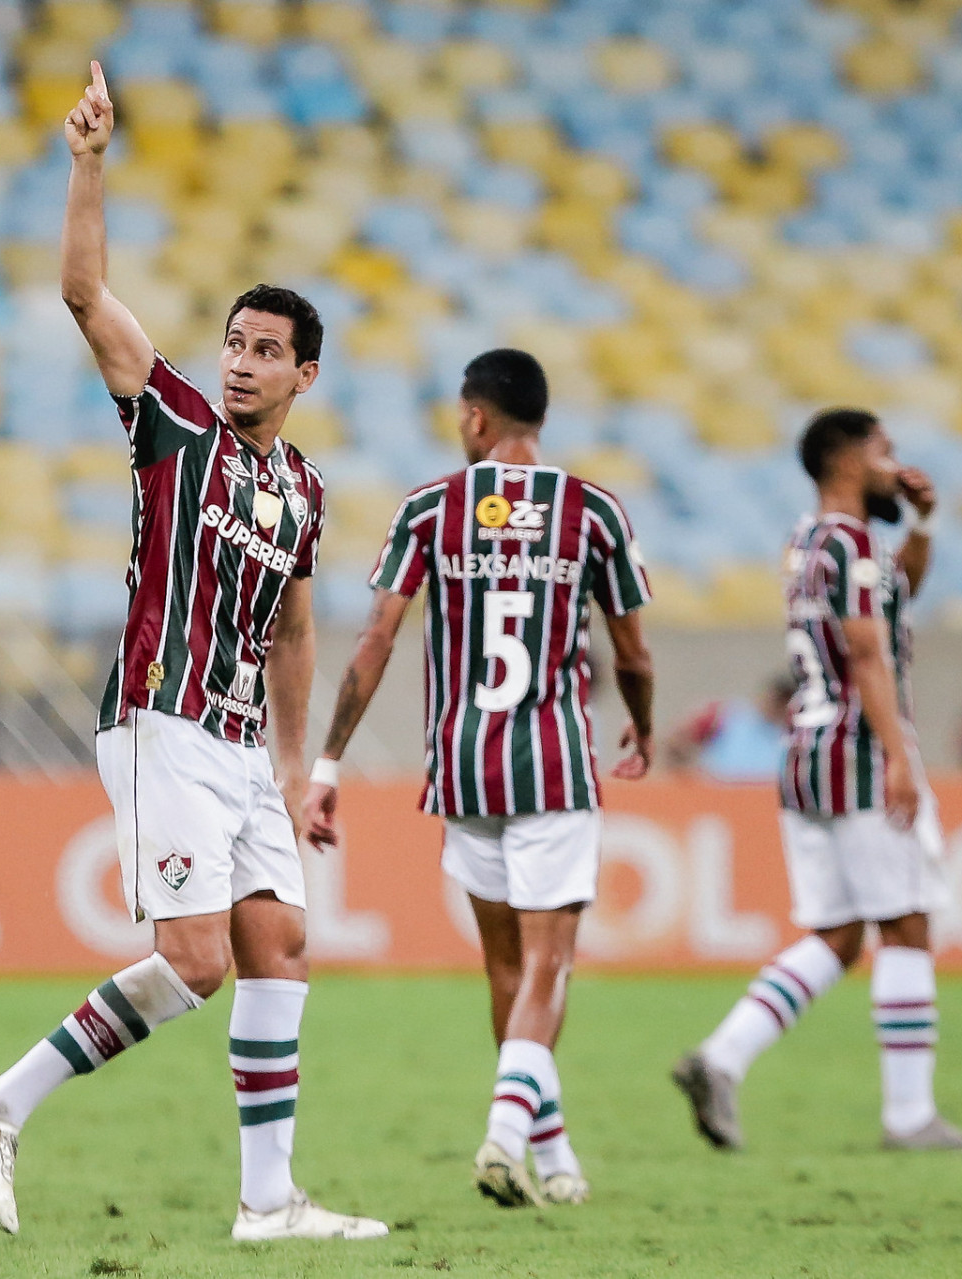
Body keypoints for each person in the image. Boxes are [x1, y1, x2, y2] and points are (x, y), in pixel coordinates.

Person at [0, 62, 386, 1244]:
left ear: (305, 374)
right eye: (234, 341)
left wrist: (298, 767)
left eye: (265, 349)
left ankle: (269, 1202)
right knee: (194, 962)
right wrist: (89, 164)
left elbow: (293, 629)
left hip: (242, 749)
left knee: (279, 945)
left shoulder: (303, 491)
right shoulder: (174, 419)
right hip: (163, 720)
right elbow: (85, 293)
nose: (240, 360)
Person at [302, 348, 657, 1209]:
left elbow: (376, 640)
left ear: (474, 416)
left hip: (464, 769)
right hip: (553, 764)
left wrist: (328, 759)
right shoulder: (592, 510)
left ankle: (554, 1153)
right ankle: (504, 1134)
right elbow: (633, 653)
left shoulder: (430, 507)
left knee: (506, 968)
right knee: (549, 966)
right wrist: (644, 725)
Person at [673, 408, 962, 1154]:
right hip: (859, 752)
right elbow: (867, 651)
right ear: (847, 460)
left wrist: (924, 522)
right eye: (885, 451)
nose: (895, 464)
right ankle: (910, 1116)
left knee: (840, 935)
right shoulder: (851, 543)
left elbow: (896, 592)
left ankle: (721, 1058)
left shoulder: (810, 541)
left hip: (807, 753)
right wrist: (899, 757)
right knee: (907, 922)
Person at [666, 674, 795, 782]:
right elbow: (675, 743)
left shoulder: (793, 733)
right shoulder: (727, 715)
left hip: (765, 796)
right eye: (776, 699)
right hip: (719, 792)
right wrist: (688, 776)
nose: (776, 706)